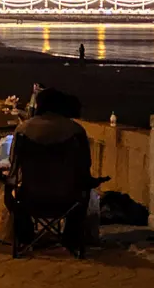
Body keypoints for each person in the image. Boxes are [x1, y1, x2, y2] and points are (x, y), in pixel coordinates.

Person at [9, 88, 93, 252]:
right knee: (86, 190)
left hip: (30, 198)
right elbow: (85, 165)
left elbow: (14, 164)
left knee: (9, 191)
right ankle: (71, 236)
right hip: (68, 199)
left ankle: (25, 235)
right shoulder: (76, 131)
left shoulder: (23, 129)